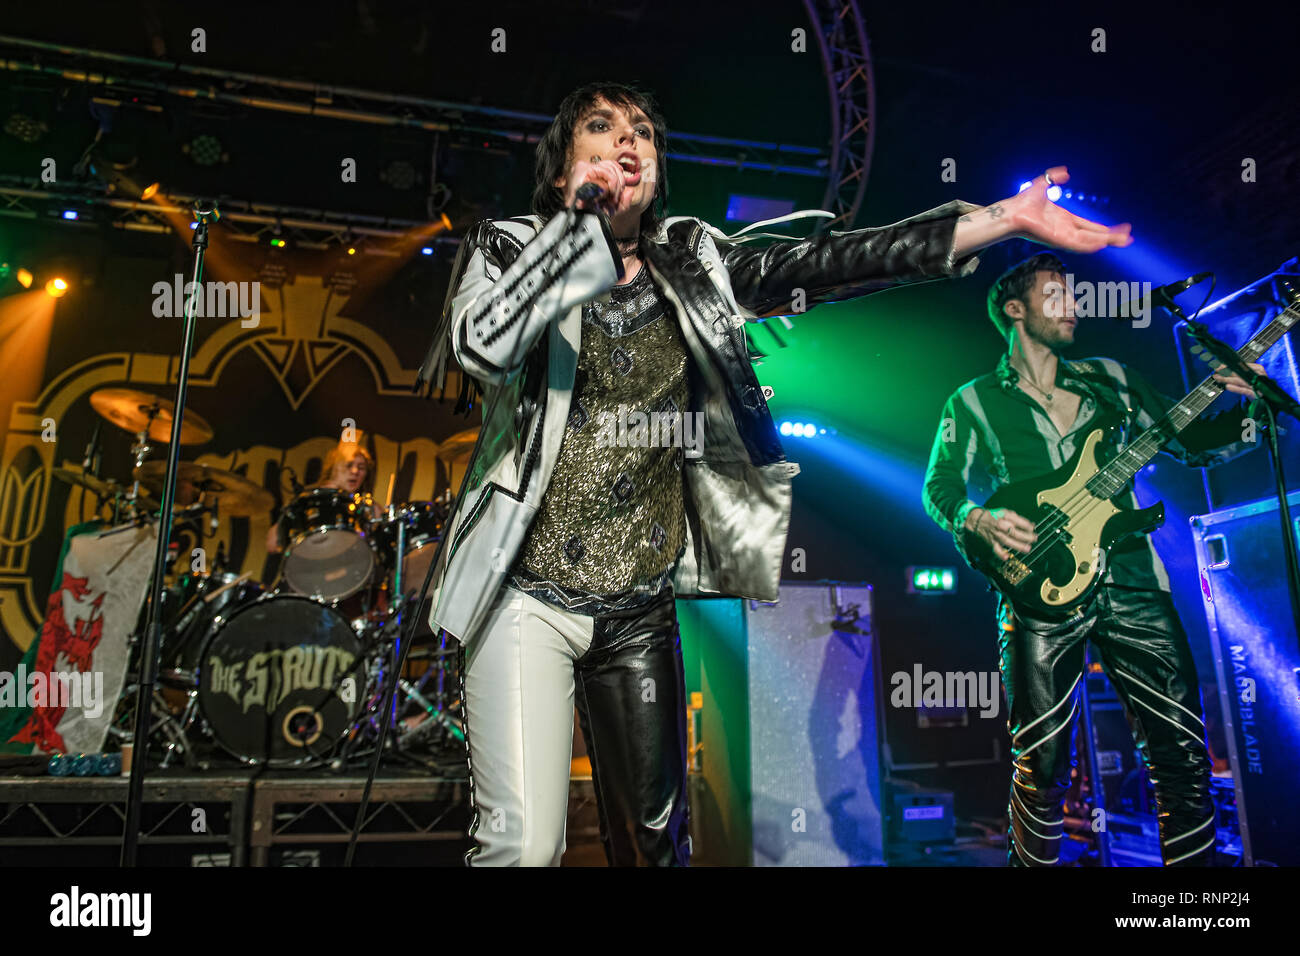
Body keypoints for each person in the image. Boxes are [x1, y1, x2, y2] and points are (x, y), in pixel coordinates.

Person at [422, 80, 1132, 867]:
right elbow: (483, 346)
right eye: (602, 128)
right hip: (525, 590)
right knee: (524, 847)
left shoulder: (694, 260)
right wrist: (579, 225)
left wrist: (1002, 220)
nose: (630, 142)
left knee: (655, 847)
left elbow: (833, 261)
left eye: (645, 134)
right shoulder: (508, 245)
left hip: (638, 605)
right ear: (562, 170)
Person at [922, 253, 1263, 866]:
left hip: (1133, 577)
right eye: (1056, 294)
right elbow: (940, 486)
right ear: (1015, 309)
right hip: (1037, 590)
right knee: (1043, 767)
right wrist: (975, 518)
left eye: (1073, 294)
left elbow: (1192, 444)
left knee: (1182, 756)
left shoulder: (1112, 378)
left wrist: (1255, 409)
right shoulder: (970, 402)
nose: (1074, 304)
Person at [265, 438, 375, 555]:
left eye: (361, 467)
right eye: (348, 465)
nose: (355, 471)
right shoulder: (308, 498)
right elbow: (272, 543)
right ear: (334, 468)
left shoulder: (365, 505)